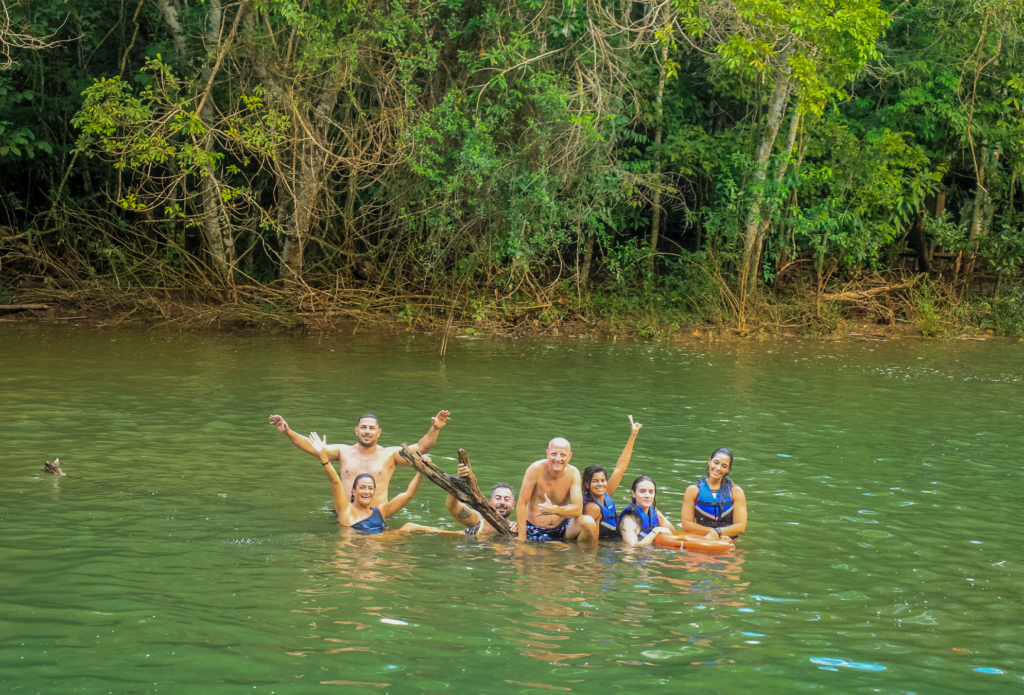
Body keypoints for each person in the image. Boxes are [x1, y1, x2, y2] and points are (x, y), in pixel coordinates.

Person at [269, 410, 449, 508]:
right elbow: (312, 447)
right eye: (363, 428)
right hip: (345, 513)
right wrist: (287, 431)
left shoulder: (390, 454)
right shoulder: (343, 451)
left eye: (371, 428)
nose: (367, 431)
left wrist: (435, 428)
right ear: (356, 430)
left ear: (379, 433)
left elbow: (421, 448)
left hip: (378, 515)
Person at [308, 431, 423, 533]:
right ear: (353, 491)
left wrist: (422, 470)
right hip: (353, 553)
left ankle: (442, 534)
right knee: (410, 526)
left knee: (410, 526)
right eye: (362, 487)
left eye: (370, 488)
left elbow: (408, 495)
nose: (366, 491)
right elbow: (335, 482)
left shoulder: (381, 511)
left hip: (380, 548)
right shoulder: (345, 511)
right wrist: (323, 456)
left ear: (374, 492)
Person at [401, 461, 518, 538]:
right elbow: (451, 506)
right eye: (498, 498)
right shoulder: (479, 519)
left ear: (513, 505)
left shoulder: (516, 529)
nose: (502, 502)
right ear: (490, 502)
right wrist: (459, 480)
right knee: (409, 526)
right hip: (456, 543)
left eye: (506, 499)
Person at [516, 438, 597, 543]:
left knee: (589, 523)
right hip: (534, 528)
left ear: (570, 456)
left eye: (563, 455)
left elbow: (577, 510)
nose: (558, 459)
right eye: (554, 454)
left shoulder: (573, 473)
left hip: (561, 526)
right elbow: (522, 502)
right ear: (547, 453)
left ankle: (579, 556)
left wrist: (554, 510)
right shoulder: (535, 469)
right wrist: (522, 537)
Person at [582, 415, 643, 538]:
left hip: (614, 539)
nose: (600, 484)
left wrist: (633, 436)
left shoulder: (606, 493)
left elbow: (620, 468)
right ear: (587, 484)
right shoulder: (591, 507)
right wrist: (617, 549)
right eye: (595, 481)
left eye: (603, 480)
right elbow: (594, 542)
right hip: (604, 548)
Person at [680, 448, 748, 540]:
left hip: (728, 542)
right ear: (709, 461)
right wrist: (714, 533)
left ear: (728, 469)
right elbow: (686, 525)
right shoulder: (693, 491)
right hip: (702, 540)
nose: (718, 468)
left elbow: (740, 527)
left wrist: (718, 532)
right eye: (716, 462)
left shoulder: (736, 492)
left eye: (724, 466)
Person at [617, 475, 674, 547]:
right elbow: (632, 548)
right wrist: (655, 531)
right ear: (633, 494)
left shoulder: (656, 514)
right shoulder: (629, 520)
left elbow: (673, 533)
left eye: (651, 492)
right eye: (642, 491)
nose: (647, 495)